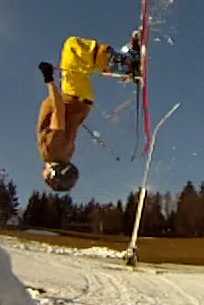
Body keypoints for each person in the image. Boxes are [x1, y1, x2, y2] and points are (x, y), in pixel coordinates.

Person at [38, 34, 140, 191]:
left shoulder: (64, 155)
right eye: (47, 180)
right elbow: (58, 112)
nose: (43, 177)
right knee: (73, 48)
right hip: (74, 96)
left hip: (78, 99)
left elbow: (65, 122)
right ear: (53, 173)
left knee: (80, 61)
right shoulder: (52, 151)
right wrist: (49, 79)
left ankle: (121, 64)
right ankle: (125, 63)